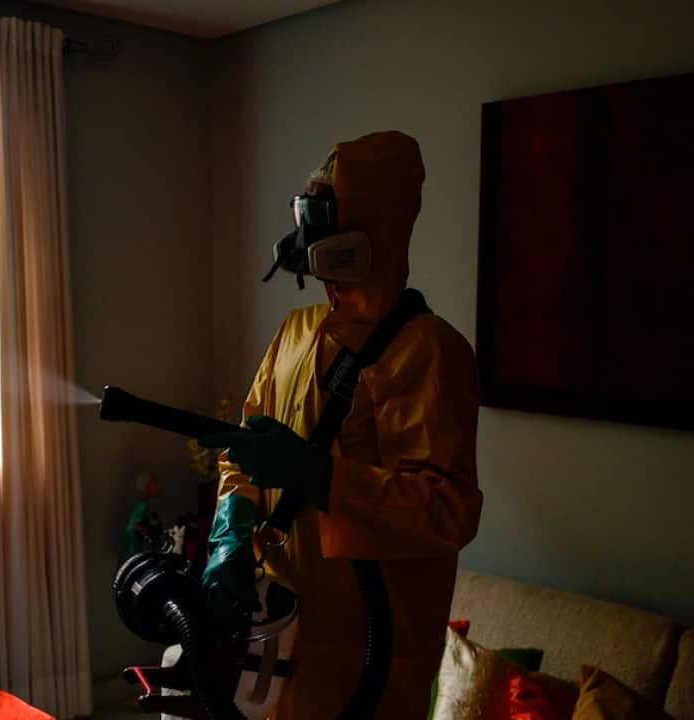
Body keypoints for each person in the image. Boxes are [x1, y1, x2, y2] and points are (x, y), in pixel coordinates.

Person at [198, 131, 483, 719]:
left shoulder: (430, 352)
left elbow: (447, 509)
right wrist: (231, 528)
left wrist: (318, 476)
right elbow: (241, 452)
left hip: (371, 667)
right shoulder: (296, 333)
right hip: (278, 644)